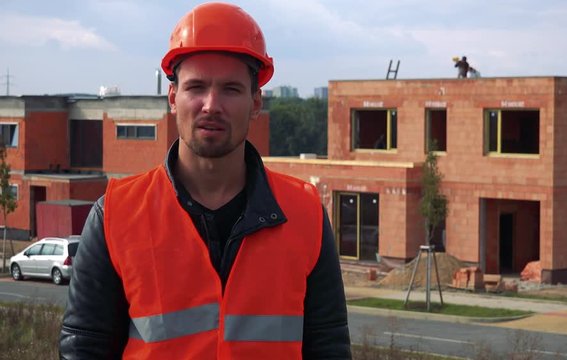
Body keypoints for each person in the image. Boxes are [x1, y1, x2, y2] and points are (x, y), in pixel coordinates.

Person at [59, 3, 351, 359]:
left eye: (231, 89)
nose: (211, 105)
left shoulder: (304, 214)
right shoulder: (115, 215)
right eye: (196, 87)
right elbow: (84, 348)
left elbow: (329, 347)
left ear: (255, 102)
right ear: (172, 98)